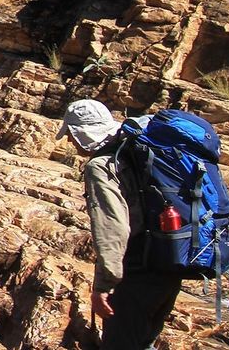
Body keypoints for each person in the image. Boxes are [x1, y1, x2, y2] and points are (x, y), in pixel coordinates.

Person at [62, 99, 179, 350]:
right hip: (171, 260)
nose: (69, 142)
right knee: (143, 342)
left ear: (81, 133)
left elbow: (113, 228)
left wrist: (104, 285)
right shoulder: (134, 150)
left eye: (71, 134)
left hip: (138, 269)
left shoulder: (102, 166)